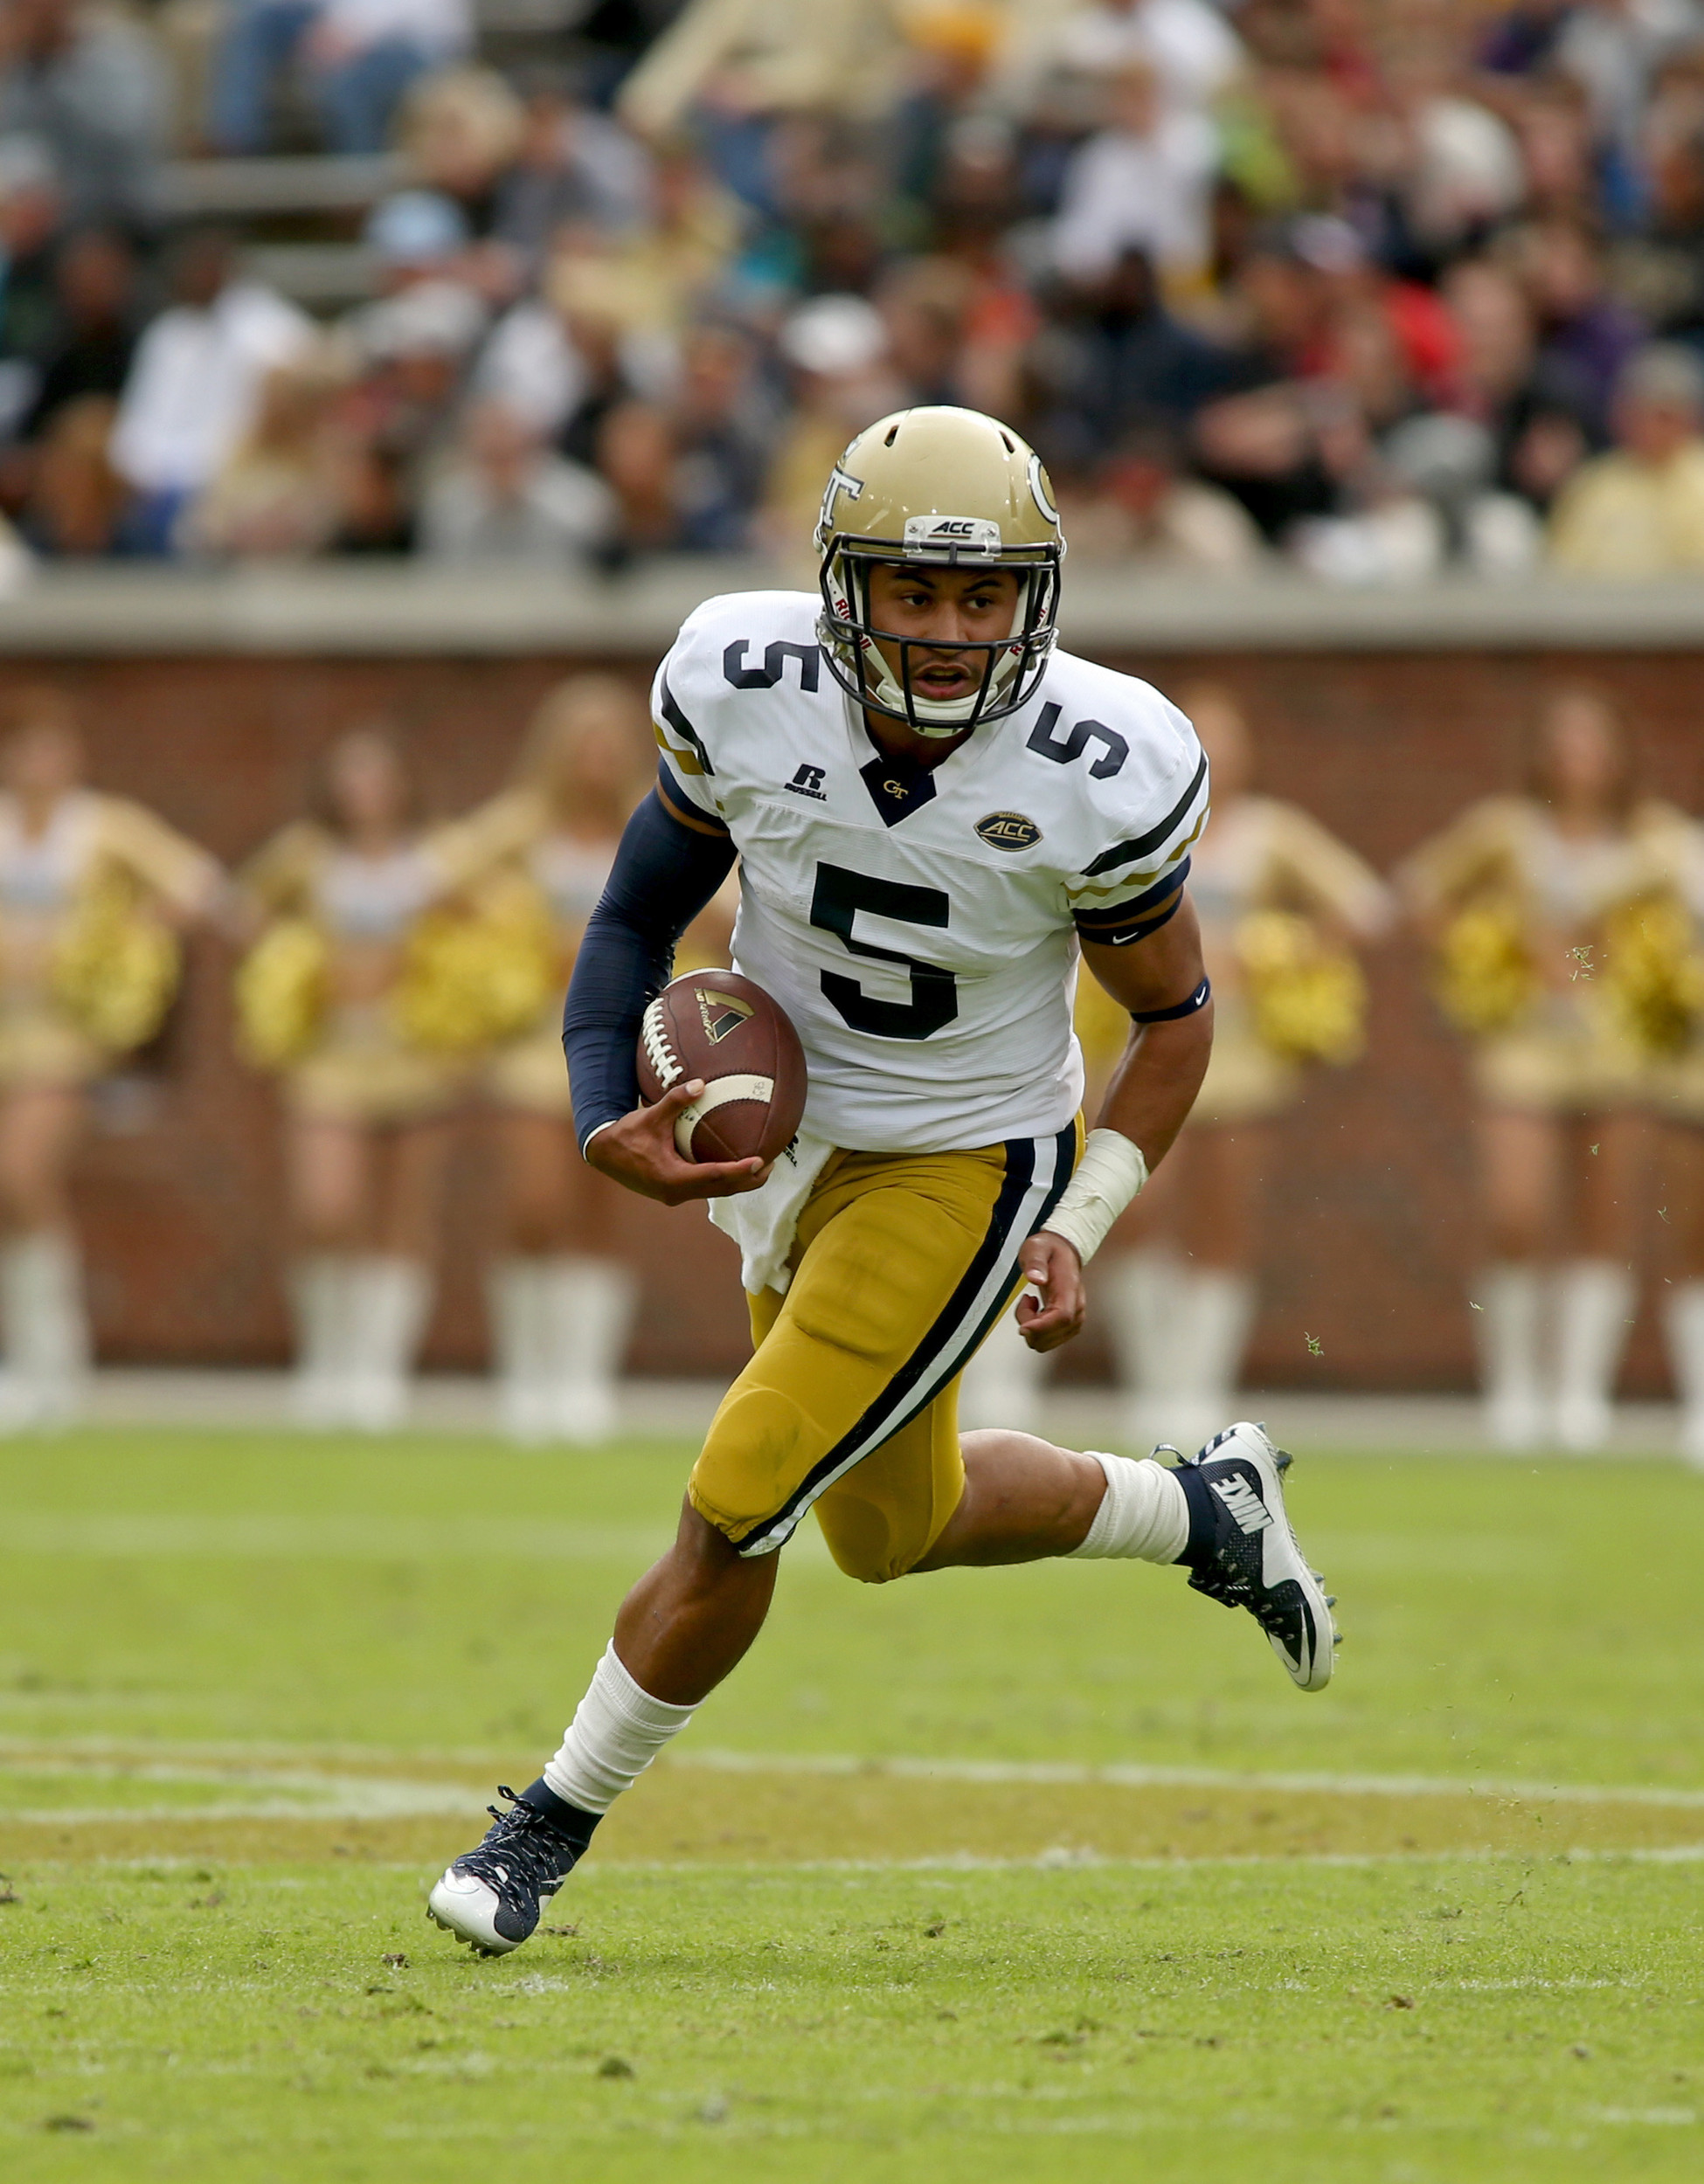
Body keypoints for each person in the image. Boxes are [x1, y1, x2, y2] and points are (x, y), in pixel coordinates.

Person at [424, 404, 1338, 1959]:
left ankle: (543, 1829)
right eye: (913, 590)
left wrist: (1076, 1218)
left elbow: (1178, 1022)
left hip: (967, 1159)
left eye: (982, 597)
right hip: (790, 1156)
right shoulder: (743, 682)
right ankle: (1201, 1511)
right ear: (844, 585)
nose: (947, 630)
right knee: (888, 1524)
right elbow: (631, 926)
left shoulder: (1097, 766)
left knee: (743, 1494)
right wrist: (602, 1115)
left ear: (1035, 602)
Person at [961, 685, 1389, 1444]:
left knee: (1224, 1221)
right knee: (1134, 1212)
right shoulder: (1137, 823)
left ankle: (1196, 1387)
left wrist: (1275, 950)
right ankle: (1150, 1379)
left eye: (1232, 741)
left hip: (1242, 1056)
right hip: (1139, 1045)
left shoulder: (1269, 833)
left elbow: (1364, 906)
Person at [236, 728, 547, 1431]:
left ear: (405, 784)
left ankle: (379, 1375)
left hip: (417, 1055)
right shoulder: (307, 855)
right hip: (331, 1056)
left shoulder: (441, 854)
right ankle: (326, 1361)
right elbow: (245, 907)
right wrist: (292, 971)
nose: (366, 793)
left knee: (403, 1215)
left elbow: (507, 915)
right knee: (327, 1208)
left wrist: (457, 961)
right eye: (352, 778)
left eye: (379, 778)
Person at [440, 675, 712, 1444]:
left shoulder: (654, 819)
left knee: (602, 1207)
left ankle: (583, 1382)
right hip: (533, 1042)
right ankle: (526, 1376)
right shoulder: (521, 827)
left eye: (608, 742)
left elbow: (720, 903)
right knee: (534, 1204)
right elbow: (437, 882)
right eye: (579, 743)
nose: (594, 758)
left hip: (629, 1044)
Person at [1400, 686, 1670, 1451]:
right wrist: (1485, 955)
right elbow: (1424, 892)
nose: (1578, 758)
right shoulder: (1508, 830)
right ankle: (1514, 1386)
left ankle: (1581, 1394)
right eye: (1563, 742)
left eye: (1593, 742)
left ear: (1620, 755)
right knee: (1514, 1210)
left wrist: (1636, 972)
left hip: (1617, 1045)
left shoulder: (1652, 837)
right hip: (1523, 1046)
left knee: (1608, 1214)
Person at [0, 686, 225, 1427]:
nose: (37, 762)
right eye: (22, 746)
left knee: (21, 1176)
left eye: (51, 747)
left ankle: (52, 1360)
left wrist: (128, 936)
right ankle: (24, 1361)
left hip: (62, 1038)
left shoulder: (104, 827)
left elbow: (199, 886)